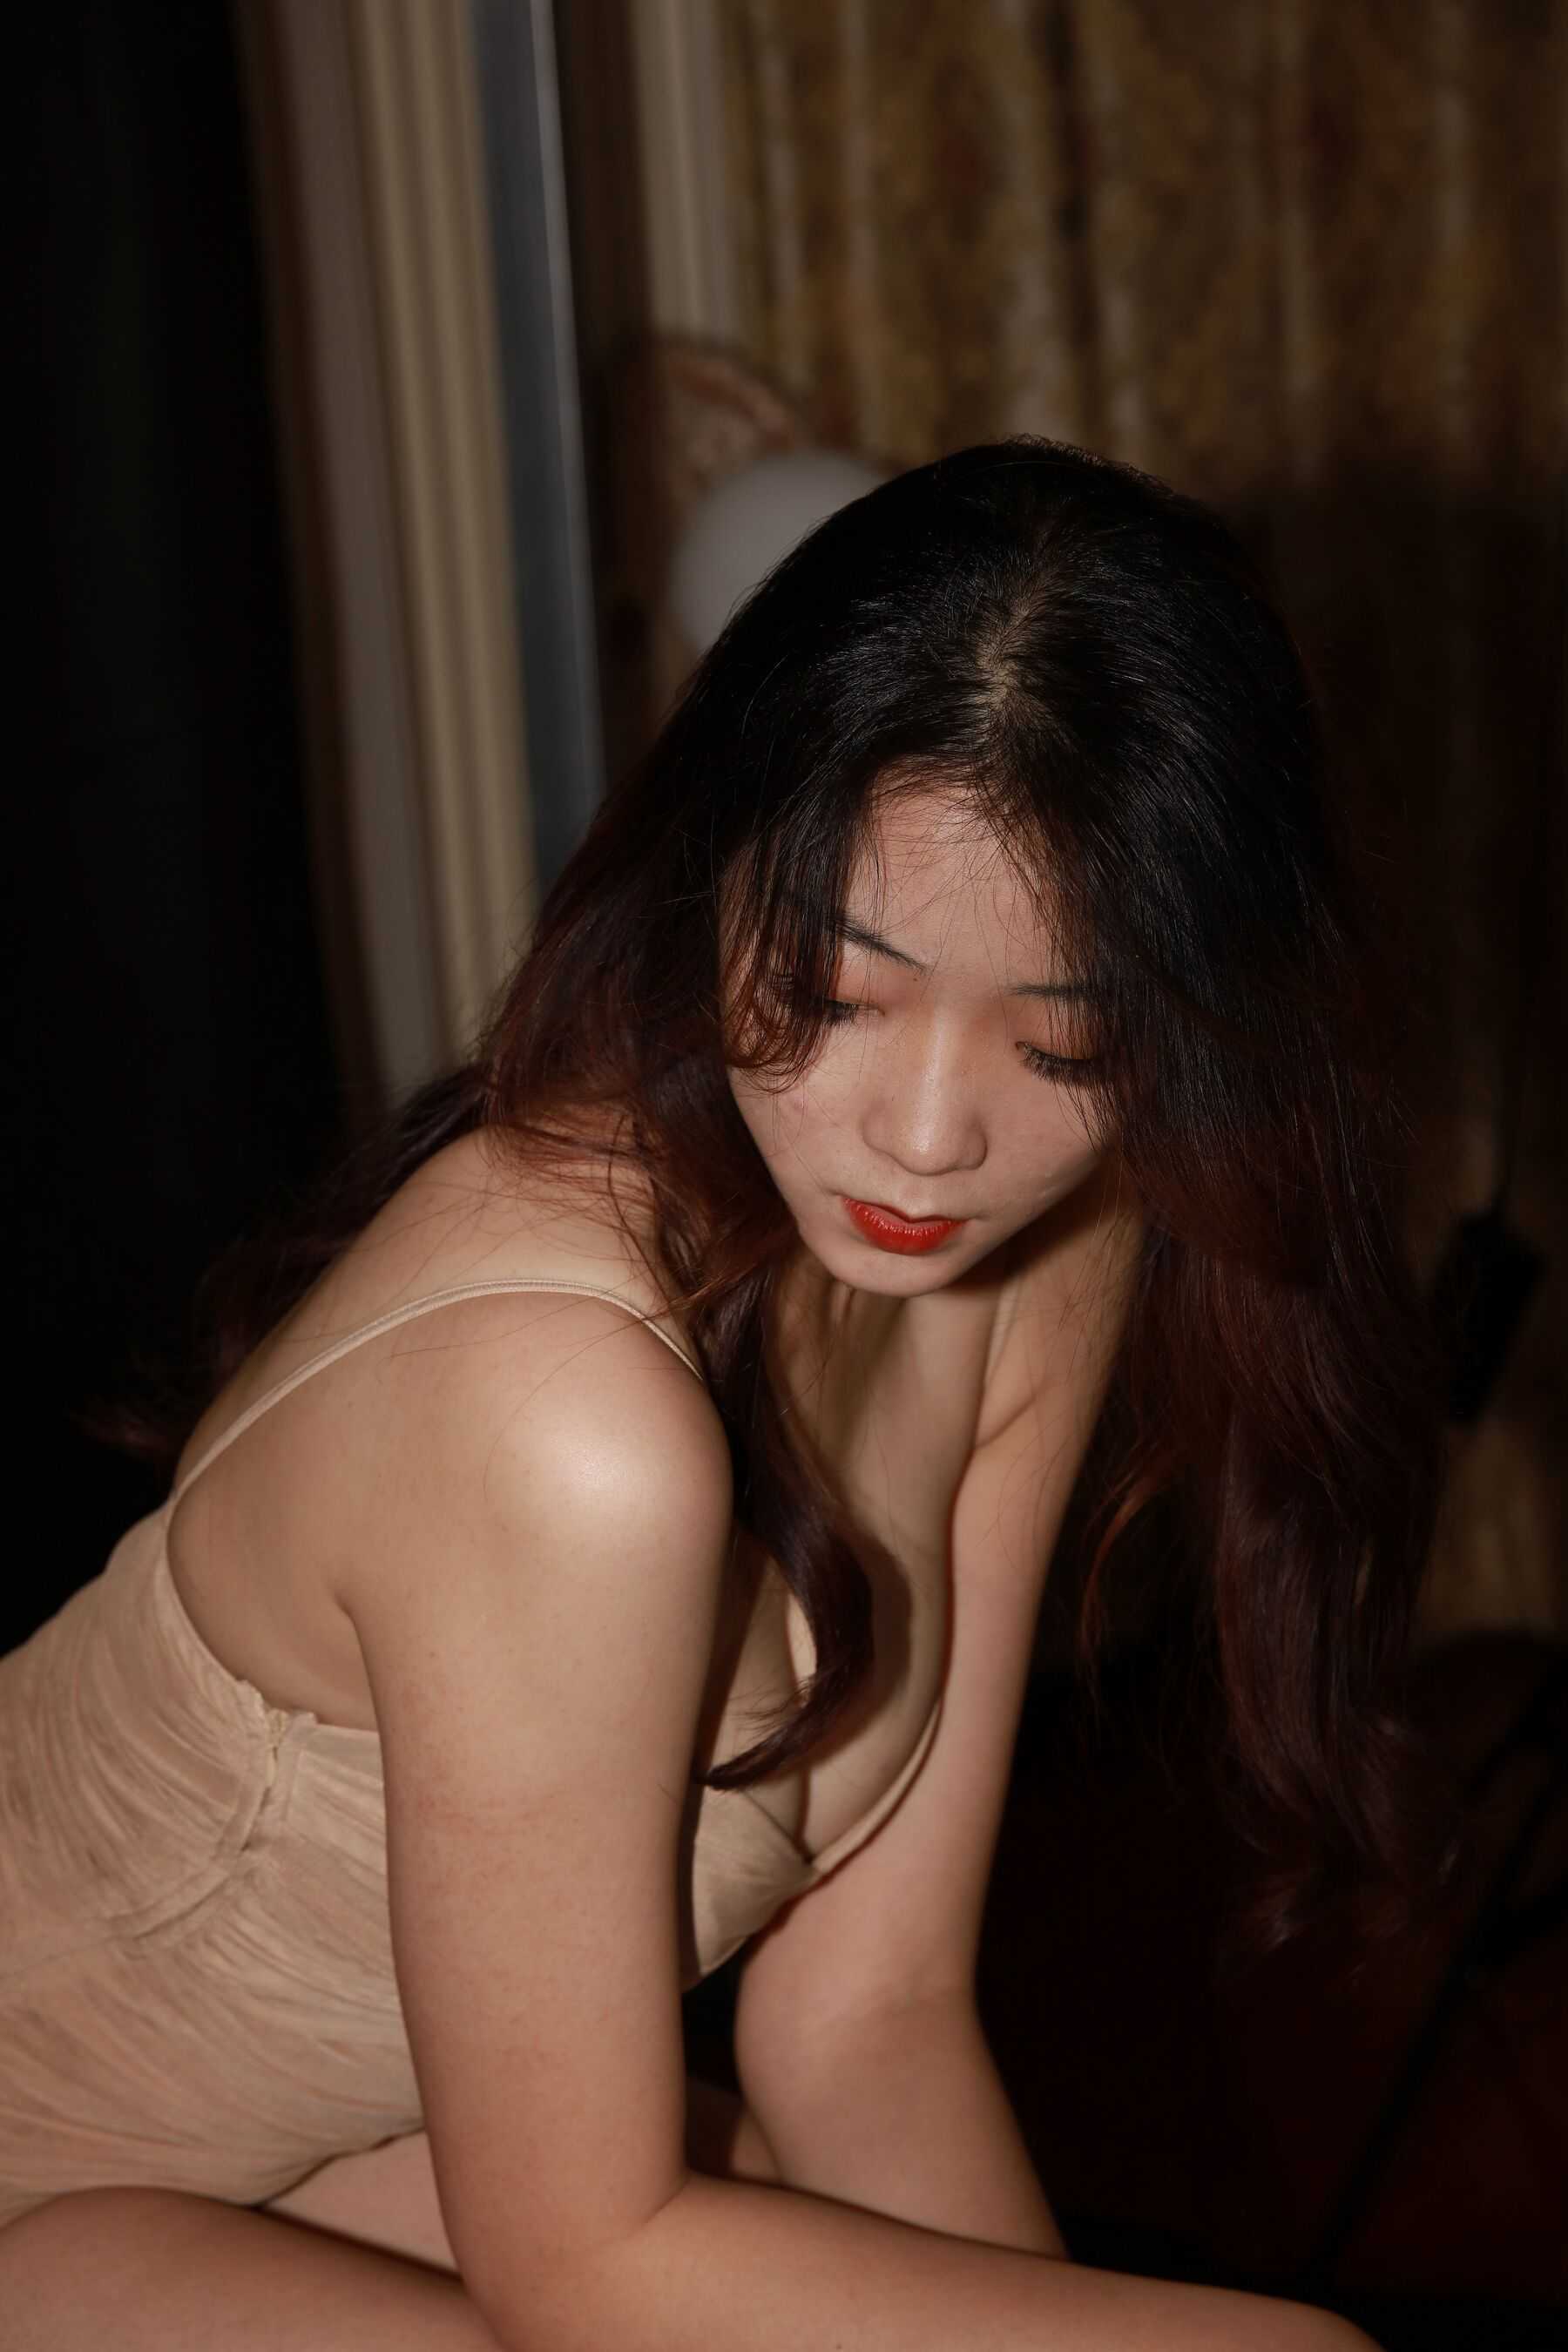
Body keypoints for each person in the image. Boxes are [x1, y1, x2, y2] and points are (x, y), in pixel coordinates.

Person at [0, 440, 1439, 2348]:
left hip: (315, 2158)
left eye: (1066, 1042)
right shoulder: (563, 1412)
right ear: (715, 868)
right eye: (840, 991)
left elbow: (869, 2020)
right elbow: (583, 2262)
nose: (929, 1138)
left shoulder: (1041, 1247)